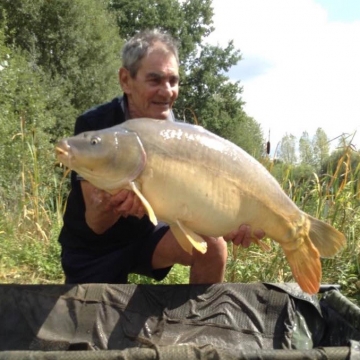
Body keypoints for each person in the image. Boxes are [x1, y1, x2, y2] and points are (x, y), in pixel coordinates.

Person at [58, 29, 265, 285]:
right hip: (93, 248)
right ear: (126, 80)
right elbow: (96, 223)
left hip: (149, 237)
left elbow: (194, 206)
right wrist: (116, 206)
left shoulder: (177, 135)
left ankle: (198, 324)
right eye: (155, 81)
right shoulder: (96, 127)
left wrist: (231, 222)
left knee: (214, 248)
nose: (167, 92)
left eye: (173, 81)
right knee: (87, 322)